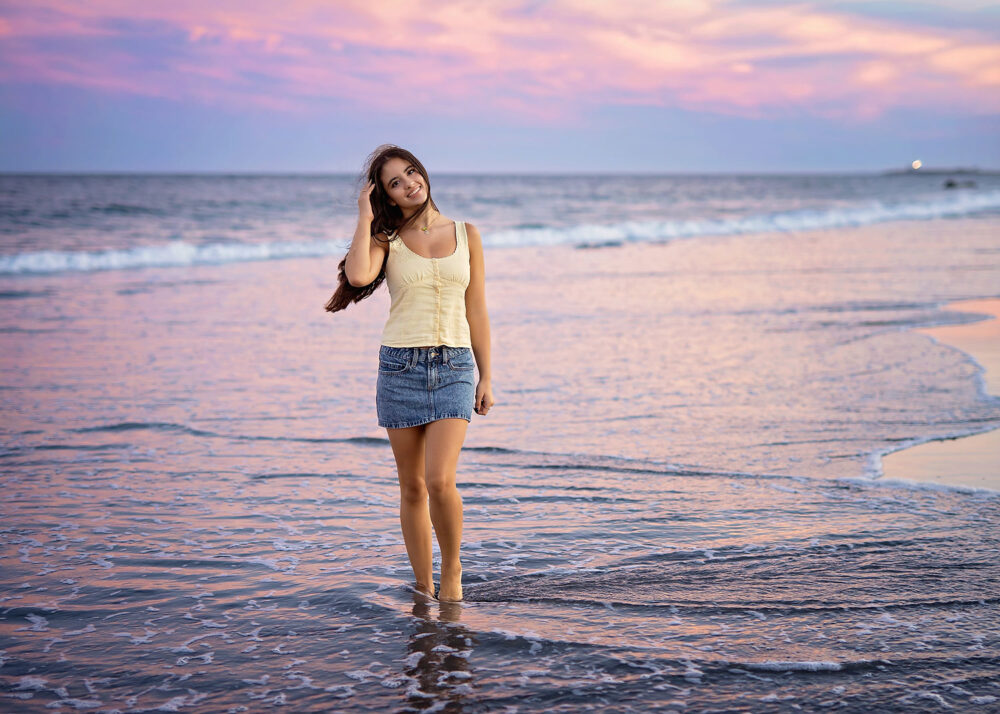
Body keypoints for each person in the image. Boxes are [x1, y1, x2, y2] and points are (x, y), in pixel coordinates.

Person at [324, 145, 494, 602]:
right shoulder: (387, 239)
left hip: (456, 366)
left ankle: (452, 571)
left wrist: (487, 375)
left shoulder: (466, 233)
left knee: (440, 480)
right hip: (400, 367)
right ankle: (423, 585)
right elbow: (359, 277)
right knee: (413, 487)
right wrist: (365, 215)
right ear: (387, 196)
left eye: (411, 173)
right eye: (394, 183)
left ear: (424, 173)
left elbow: (476, 308)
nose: (408, 184)